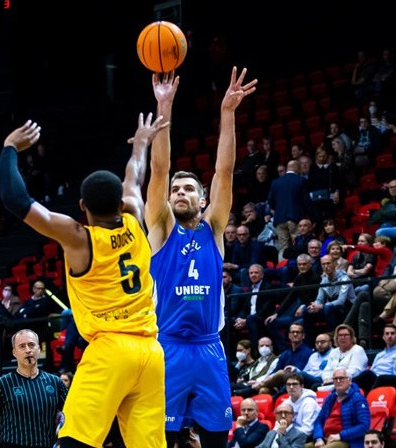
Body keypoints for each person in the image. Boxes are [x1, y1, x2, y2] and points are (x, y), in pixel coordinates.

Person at [0, 112, 169, 448]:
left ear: (81, 206)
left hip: (110, 349)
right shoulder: (135, 216)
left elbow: (15, 200)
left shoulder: (79, 238)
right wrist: (143, 142)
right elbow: (134, 175)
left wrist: (8, 149)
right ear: (120, 202)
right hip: (151, 351)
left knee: (73, 440)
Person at [145, 67, 256, 448]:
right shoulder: (160, 228)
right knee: (165, 438)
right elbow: (159, 168)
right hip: (168, 345)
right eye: (175, 189)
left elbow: (224, 171)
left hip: (209, 347)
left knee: (215, 437)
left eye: (188, 188)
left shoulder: (213, 228)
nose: (179, 192)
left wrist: (227, 113)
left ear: (202, 199)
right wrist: (165, 107)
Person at [0, 329, 67, 448]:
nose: (28, 350)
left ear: (39, 349)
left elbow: (71, 417)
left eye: (31, 345)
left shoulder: (55, 383)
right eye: (22, 346)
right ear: (14, 352)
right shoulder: (1, 385)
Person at [309, 368, 370, 448]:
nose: (338, 381)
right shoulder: (330, 398)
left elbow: (364, 426)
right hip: (326, 439)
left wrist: (340, 436)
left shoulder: (358, 398)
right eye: (335, 379)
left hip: (346, 441)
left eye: (341, 378)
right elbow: (319, 421)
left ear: (349, 380)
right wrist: (318, 438)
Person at [279, 372, 320, 440]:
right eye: (288, 384)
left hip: (307, 438)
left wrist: (287, 436)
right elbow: (278, 425)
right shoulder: (285, 404)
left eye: (294, 384)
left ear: (301, 386)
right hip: (289, 437)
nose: (291, 387)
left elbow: (308, 430)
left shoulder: (309, 402)